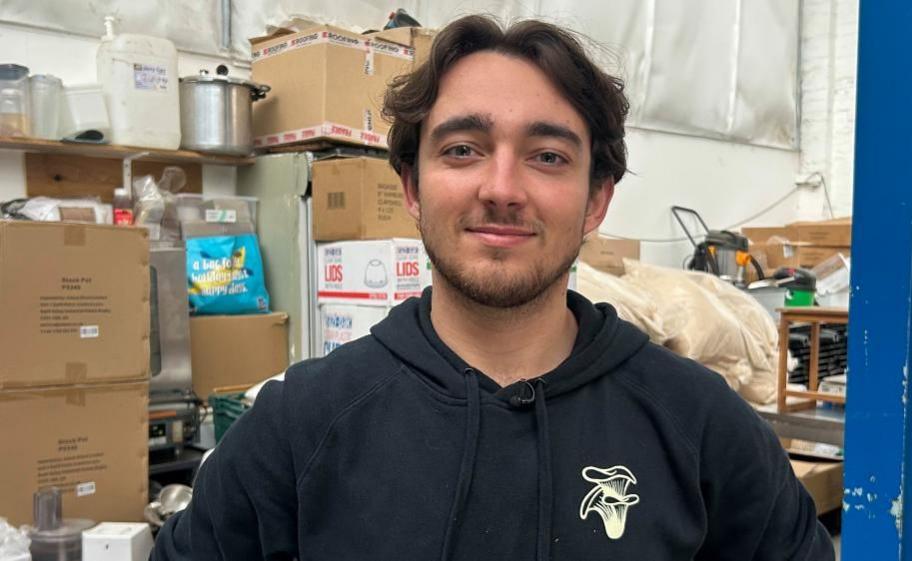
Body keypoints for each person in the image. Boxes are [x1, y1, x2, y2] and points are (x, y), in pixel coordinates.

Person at [153, 15, 835, 561]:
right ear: (413, 189)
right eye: (461, 150)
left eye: (546, 156)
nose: (501, 188)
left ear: (596, 198)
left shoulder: (701, 426)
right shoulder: (298, 426)